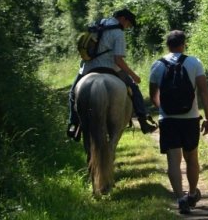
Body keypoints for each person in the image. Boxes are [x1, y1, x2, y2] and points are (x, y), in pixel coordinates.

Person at [149, 30, 208, 214]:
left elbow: (153, 95)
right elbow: (204, 92)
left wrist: (163, 108)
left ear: (167, 45)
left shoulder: (157, 65)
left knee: (173, 161)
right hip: (190, 118)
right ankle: (192, 193)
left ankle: (180, 197)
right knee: (191, 157)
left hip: (168, 120)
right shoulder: (194, 62)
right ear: (183, 44)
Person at [67, 8, 157, 139]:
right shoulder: (118, 33)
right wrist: (133, 75)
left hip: (88, 67)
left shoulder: (97, 24)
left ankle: (73, 124)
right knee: (134, 90)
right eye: (129, 23)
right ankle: (143, 122)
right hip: (111, 68)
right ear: (123, 19)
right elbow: (118, 60)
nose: (127, 26)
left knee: (73, 93)